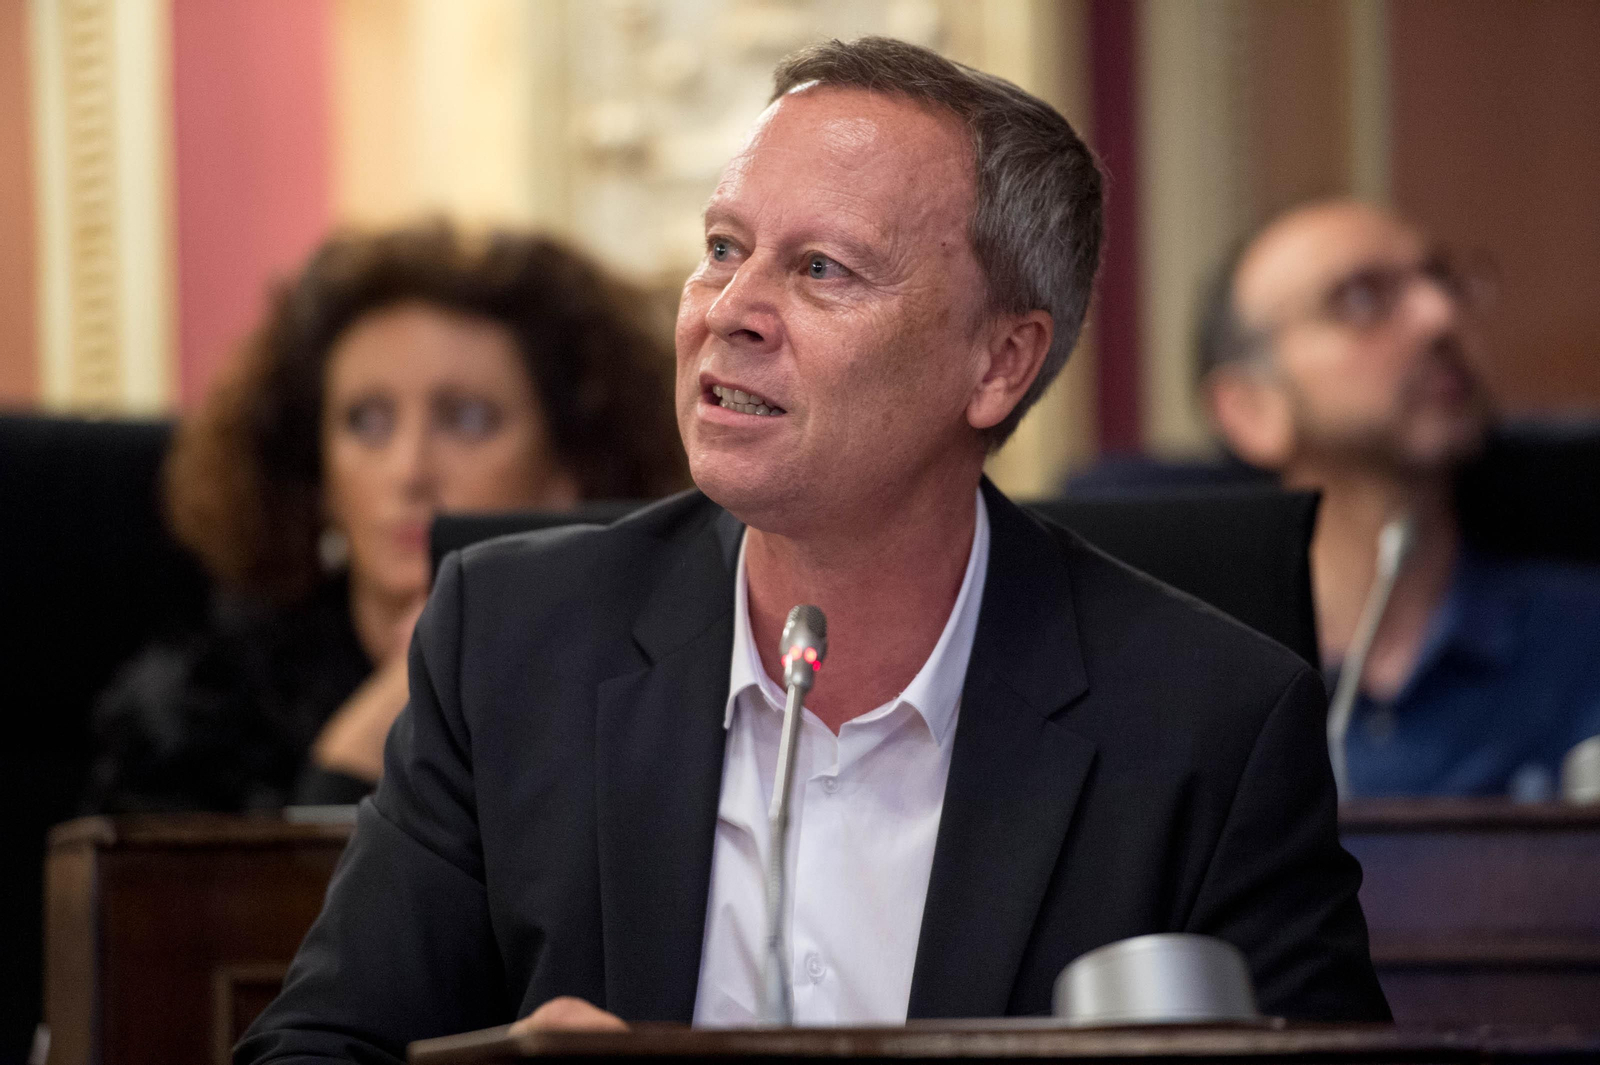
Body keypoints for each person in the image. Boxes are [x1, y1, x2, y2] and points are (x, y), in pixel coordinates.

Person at [240, 39, 1386, 1060]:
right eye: (722, 248)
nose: (727, 309)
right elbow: (317, 1046)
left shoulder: (1210, 726)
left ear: (998, 364)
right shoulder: (512, 645)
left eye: (821, 269)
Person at [87, 221, 686, 812]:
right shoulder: (195, 710)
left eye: (467, 419)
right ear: (319, 475)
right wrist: (398, 700)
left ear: (571, 469)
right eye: (367, 423)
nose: (409, 470)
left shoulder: (649, 686)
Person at [1198, 199, 1600, 798]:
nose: (1439, 315)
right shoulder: (1196, 678)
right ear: (1250, 410)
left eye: (1444, 281)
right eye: (1361, 298)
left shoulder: (1583, 642)